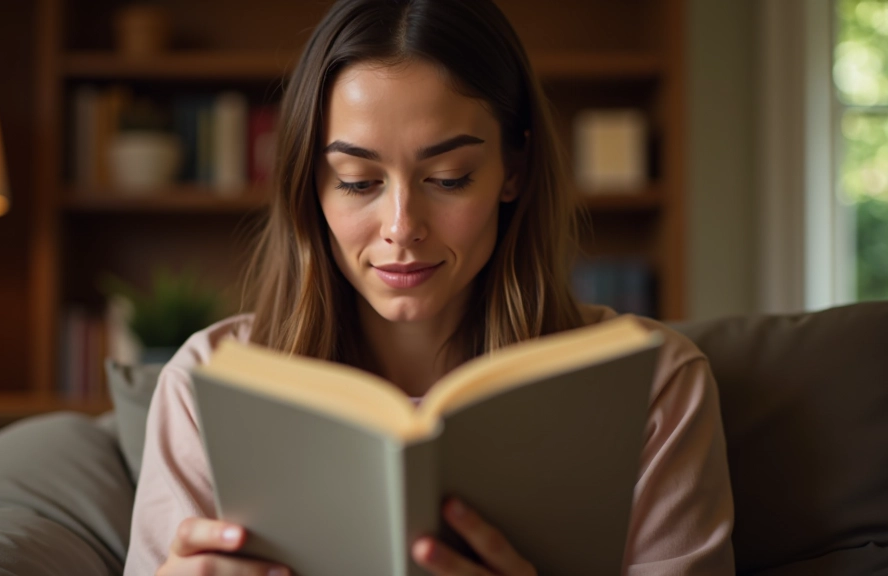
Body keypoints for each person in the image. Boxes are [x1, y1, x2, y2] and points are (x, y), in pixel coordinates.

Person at [124, 0, 735, 574]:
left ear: (512, 172)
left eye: (448, 178)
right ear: (310, 185)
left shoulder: (654, 385)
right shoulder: (206, 384)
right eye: (358, 182)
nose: (401, 229)